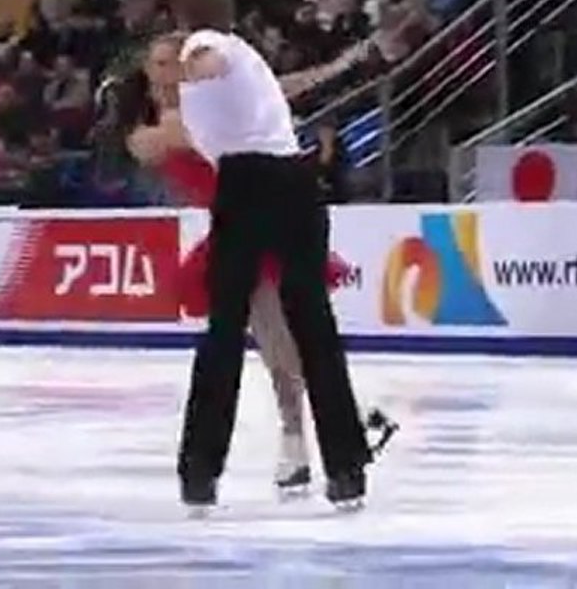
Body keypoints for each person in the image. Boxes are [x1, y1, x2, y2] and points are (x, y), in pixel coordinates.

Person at [128, 34, 395, 493]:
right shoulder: (176, 119)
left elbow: (272, 88)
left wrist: (335, 68)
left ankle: (298, 446)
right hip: (236, 221)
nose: (166, 69)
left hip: (265, 213)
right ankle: (338, 428)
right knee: (275, 335)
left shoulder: (207, 104)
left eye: (172, 60)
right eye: (158, 63)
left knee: (275, 335)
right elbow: (150, 143)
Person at [164, 0, 372, 511]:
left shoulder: (202, 45)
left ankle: (200, 471)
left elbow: (203, 60)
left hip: (250, 184)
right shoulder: (248, 56)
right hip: (297, 184)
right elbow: (278, 86)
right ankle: (347, 467)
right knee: (313, 323)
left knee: (226, 326)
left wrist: (185, 68)